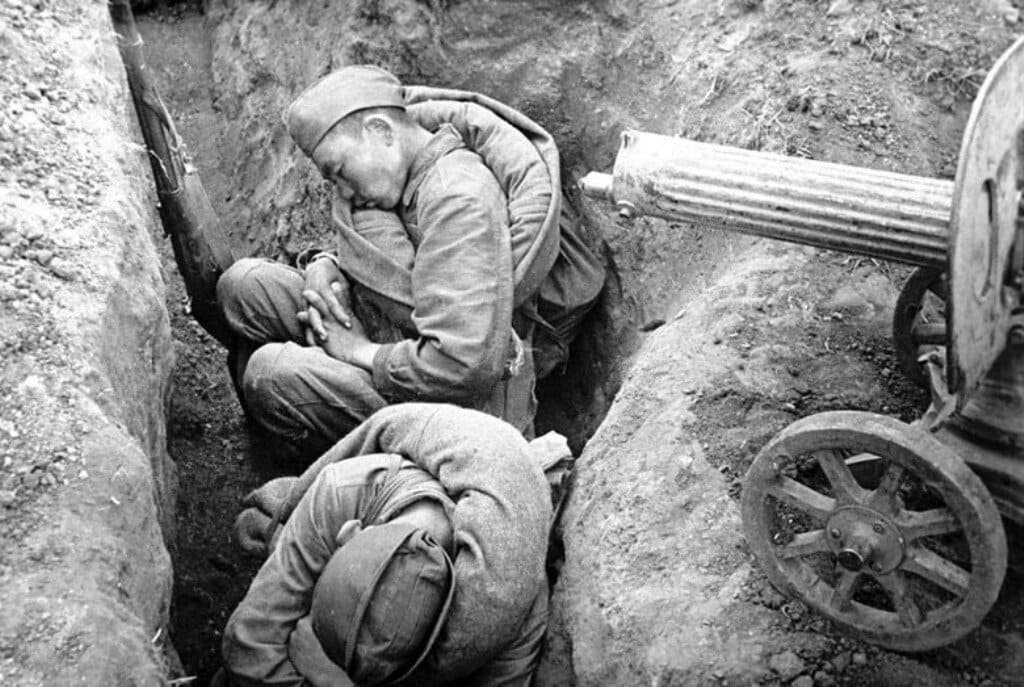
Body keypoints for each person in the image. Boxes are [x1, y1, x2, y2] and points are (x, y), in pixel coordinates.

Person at [216, 65, 604, 463]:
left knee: (271, 374)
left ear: (381, 132)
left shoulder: (457, 200)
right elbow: (403, 263)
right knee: (245, 287)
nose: (344, 192)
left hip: (463, 407)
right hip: (397, 331)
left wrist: (358, 352)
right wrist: (326, 266)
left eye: (339, 172)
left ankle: (340, 474)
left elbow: (462, 366)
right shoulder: (408, 176)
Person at [216, 403, 569, 686]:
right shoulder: (344, 494)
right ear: (349, 534)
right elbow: (247, 647)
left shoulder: (512, 616)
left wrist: (330, 678)